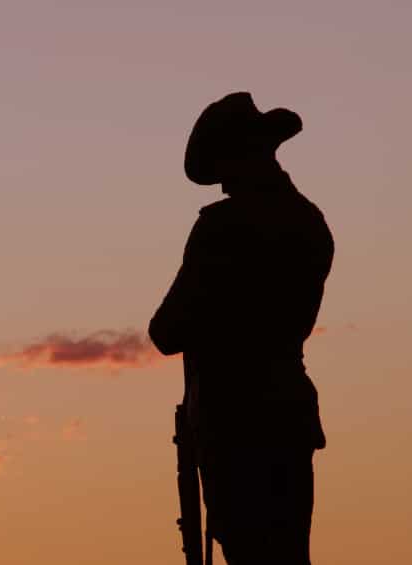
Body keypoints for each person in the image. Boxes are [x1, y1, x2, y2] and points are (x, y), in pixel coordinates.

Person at [149, 92, 334, 565]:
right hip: (288, 414)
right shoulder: (310, 221)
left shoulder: (222, 228)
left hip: (235, 425)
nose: (224, 184)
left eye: (225, 167)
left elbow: (166, 331)